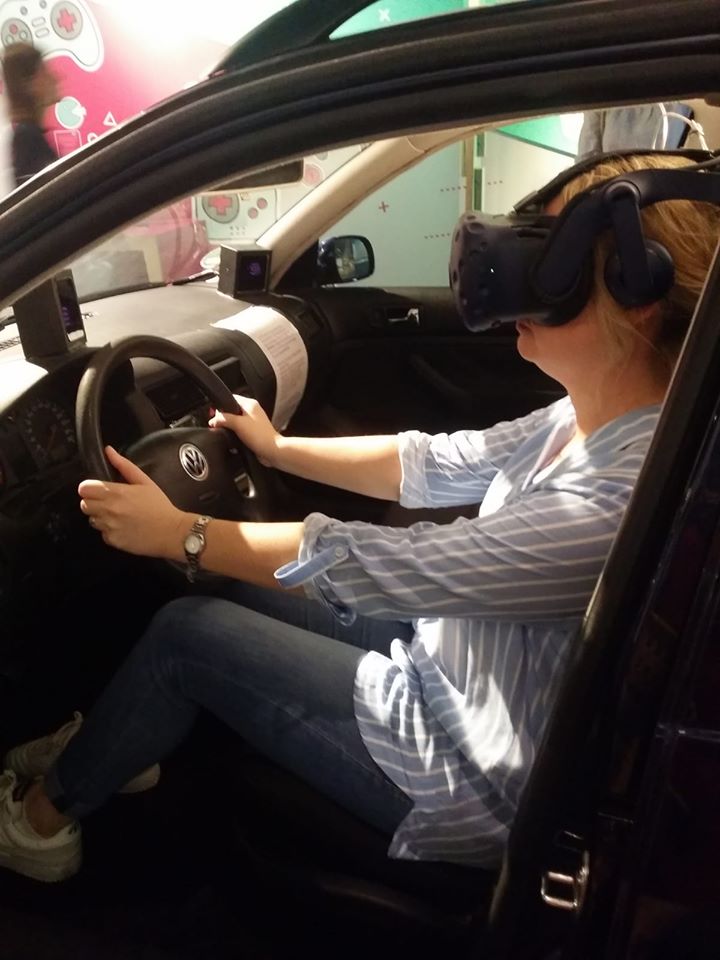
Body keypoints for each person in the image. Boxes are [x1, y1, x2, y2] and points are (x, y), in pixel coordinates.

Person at [0, 153, 718, 884]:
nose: (522, 283)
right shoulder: (589, 417)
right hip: (451, 664)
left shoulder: (616, 500)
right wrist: (277, 449)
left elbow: (391, 564)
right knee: (224, 583)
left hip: (466, 774)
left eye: (552, 267)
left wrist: (180, 532)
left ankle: (42, 823)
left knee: (187, 634)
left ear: (637, 295)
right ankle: (121, 742)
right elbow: (430, 462)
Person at [1, 42, 60, 188]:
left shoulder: (28, 135)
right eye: (44, 72)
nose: (55, 78)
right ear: (30, 83)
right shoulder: (28, 138)